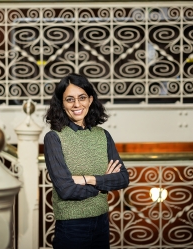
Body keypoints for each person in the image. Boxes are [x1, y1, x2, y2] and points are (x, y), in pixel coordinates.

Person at [44, 73, 130, 249]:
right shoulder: (54, 138)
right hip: (71, 226)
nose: (77, 104)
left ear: (90, 100)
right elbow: (66, 190)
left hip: (102, 222)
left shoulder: (103, 135)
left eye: (82, 98)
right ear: (61, 103)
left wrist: (87, 179)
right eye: (70, 99)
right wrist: (102, 186)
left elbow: (122, 178)